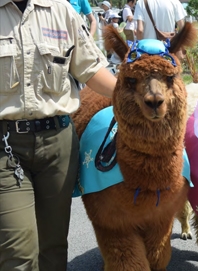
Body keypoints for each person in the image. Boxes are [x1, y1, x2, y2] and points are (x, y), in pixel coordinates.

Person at [0, 0, 117, 270]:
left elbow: (91, 69)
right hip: (6, 147)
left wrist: (135, 92)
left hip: (58, 143)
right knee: (18, 251)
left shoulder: (60, 10)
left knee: (53, 248)